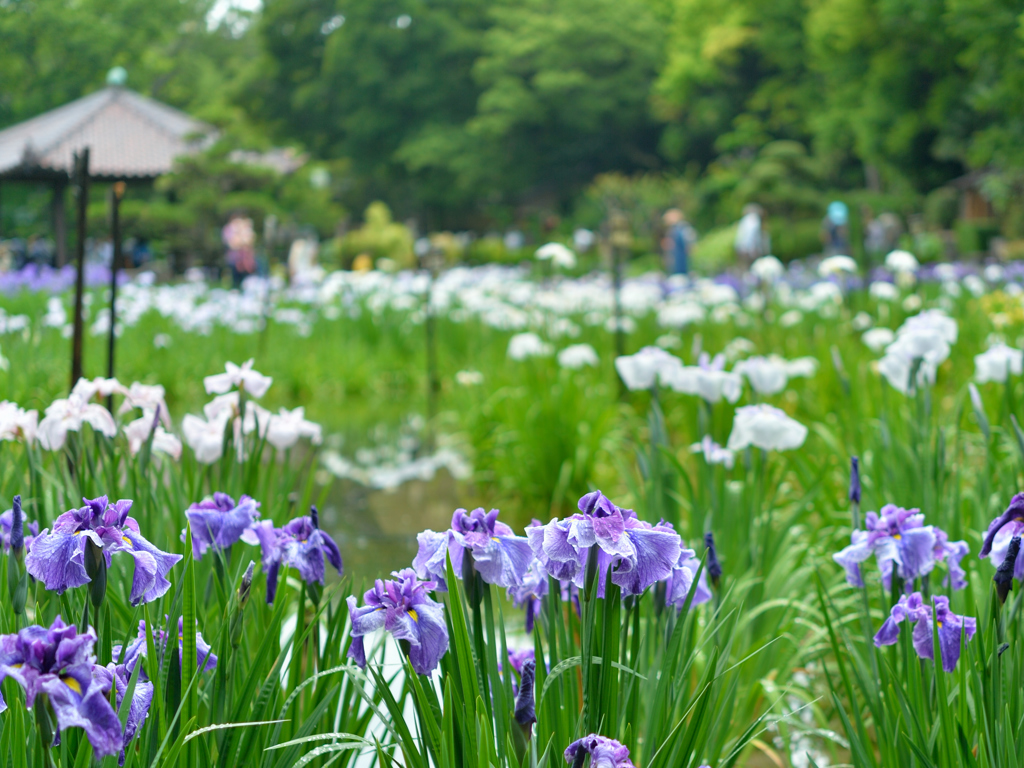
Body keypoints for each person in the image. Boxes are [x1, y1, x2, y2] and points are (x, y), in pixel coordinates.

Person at [222, 214, 256, 288]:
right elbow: (233, 244)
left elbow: (250, 241)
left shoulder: (246, 230)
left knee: (247, 279)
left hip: (247, 260)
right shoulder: (229, 230)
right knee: (236, 279)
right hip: (235, 259)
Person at [662, 208, 693, 275]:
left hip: (682, 258)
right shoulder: (672, 229)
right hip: (674, 258)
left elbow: (690, 242)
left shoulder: (683, 228)